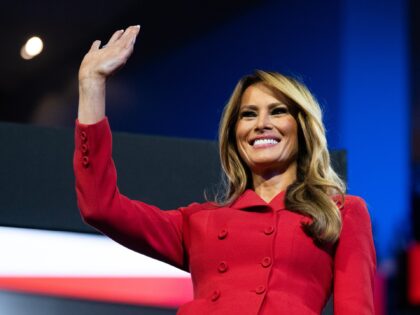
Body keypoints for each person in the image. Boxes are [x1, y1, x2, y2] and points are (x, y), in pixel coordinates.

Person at [74, 25, 376, 315]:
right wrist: (91, 85)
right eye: (248, 115)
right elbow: (101, 207)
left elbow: (357, 309)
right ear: (235, 134)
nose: (261, 124)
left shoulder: (340, 213)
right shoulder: (199, 221)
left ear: (302, 127)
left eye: (278, 111)